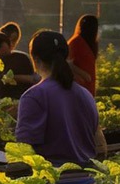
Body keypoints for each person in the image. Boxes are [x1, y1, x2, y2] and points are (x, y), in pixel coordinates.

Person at [16, 30, 100, 171]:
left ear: (35, 59)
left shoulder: (34, 96)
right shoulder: (86, 95)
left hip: (53, 181)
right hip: (87, 180)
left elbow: (24, 148)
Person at [0, 32, 35, 100]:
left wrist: (11, 78)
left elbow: (32, 79)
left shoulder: (21, 58)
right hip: (0, 99)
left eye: (0, 48)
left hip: (20, 97)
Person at [68, 14, 99, 96]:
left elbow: (87, 77)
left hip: (78, 91)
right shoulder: (90, 45)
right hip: (88, 91)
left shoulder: (76, 42)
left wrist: (69, 65)